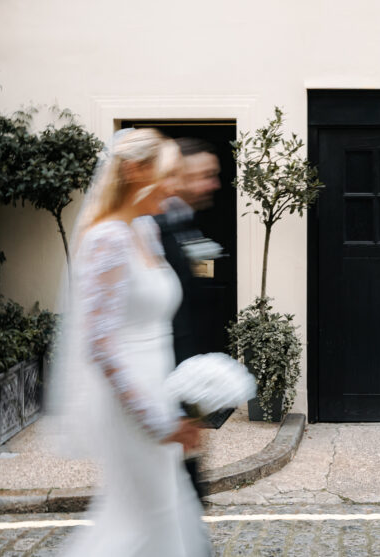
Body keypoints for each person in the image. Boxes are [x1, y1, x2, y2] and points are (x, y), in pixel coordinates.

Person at [53, 128, 212, 556]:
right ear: (137, 171)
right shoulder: (107, 239)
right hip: (131, 407)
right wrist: (158, 420)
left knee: (158, 520)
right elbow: (101, 347)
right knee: (148, 523)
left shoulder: (145, 231)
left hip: (159, 390)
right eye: (168, 174)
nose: (175, 185)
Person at [152, 138, 222, 501]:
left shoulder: (185, 221)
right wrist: (179, 401)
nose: (214, 184)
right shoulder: (154, 226)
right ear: (180, 175)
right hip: (165, 380)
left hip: (186, 381)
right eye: (206, 175)